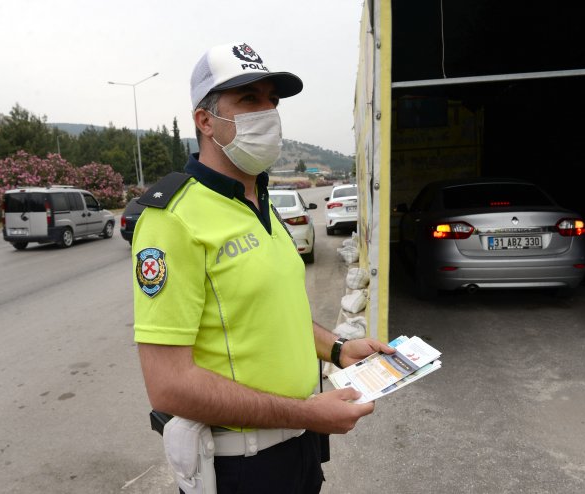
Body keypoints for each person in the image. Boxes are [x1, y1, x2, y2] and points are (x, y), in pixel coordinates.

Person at [132, 42, 394, 494]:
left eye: (272, 100)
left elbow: (275, 313)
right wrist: (307, 412)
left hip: (299, 449)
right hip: (243, 468)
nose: (268, 112)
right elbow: (169, 386)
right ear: (205, 120)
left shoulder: (261, 204)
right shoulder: (172, 219)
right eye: (249, 100)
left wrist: (338, 350)